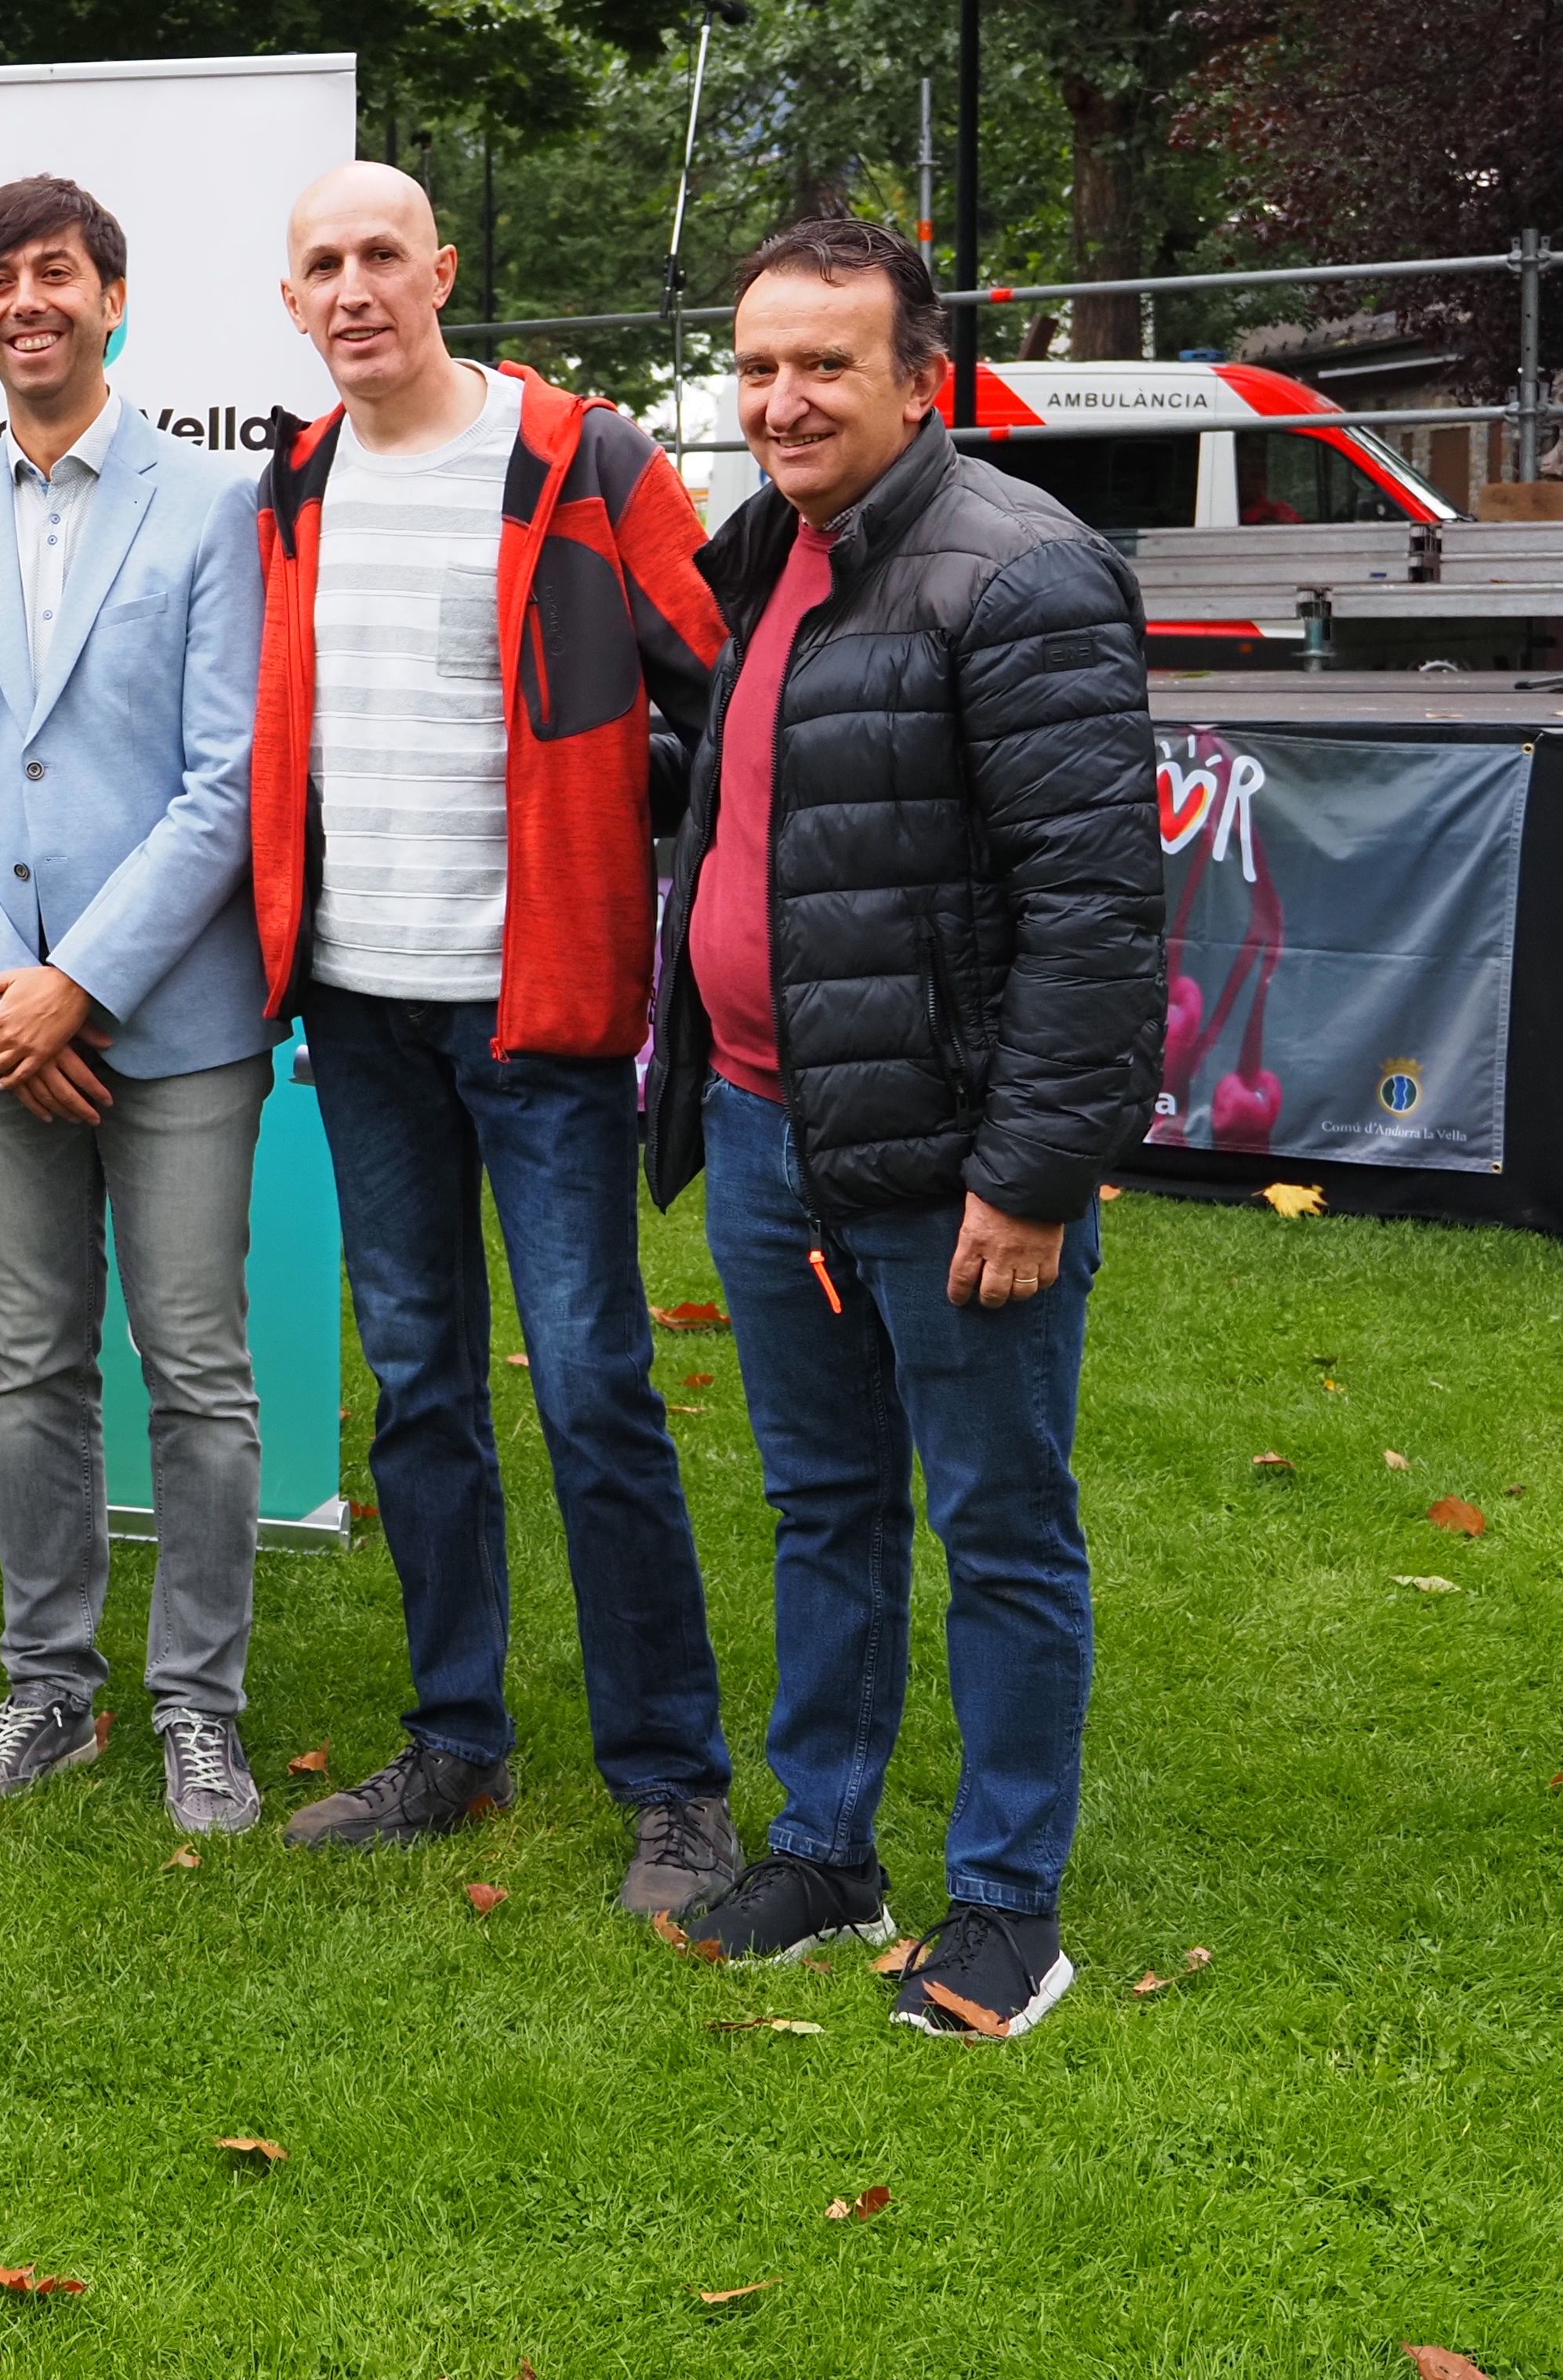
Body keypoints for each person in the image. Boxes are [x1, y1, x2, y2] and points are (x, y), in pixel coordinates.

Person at [648, 215, 1160, 2041]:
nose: (782, 398)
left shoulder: (1018, 573)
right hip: (776, 1132)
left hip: (951, 1162)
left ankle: (1011, 1908)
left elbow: (1097, 911)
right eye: (759, 363)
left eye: (824, 366)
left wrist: (1029, 1178)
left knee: (1002, 1522)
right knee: (825, 1508)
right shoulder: (764, 555)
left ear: (915, 379)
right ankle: (825, 1850)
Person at [241, 165, 745, 1916]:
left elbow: (724, 687)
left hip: (536, 1011)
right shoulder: (292, 486)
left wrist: (626, 806)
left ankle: (674, 1787)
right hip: (360, 1013)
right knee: (419, 1390)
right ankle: (458, 1742)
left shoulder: (588, 463)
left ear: (445, 269)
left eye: (385, 254)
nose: (357, 285)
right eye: (325, 265)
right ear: (291, 304)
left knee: (599, 1387)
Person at [0, 175, 272, 1835]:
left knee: (196, 1370)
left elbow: (228, 775)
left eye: (56, 274)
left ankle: (202, 1707)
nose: (25, 301)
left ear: (116, 300)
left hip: (171, 1021)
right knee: (35, 1367)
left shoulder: (212, 505)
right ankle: (51, 1688)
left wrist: (80, 985)